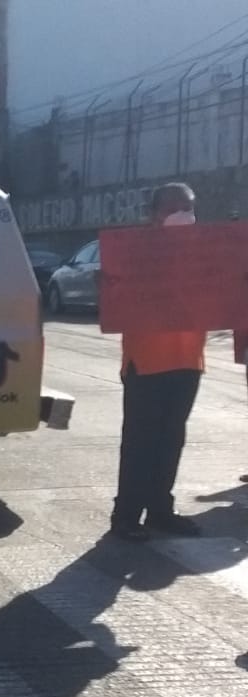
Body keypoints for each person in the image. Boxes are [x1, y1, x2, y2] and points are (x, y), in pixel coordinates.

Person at [111, 182, 206, 542]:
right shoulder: (135, 251)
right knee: (140, 442)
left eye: (189, 207)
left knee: (171, 441)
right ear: (154, 214)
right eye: (175, 208)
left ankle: (160, 511)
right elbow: (114, 296)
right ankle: (126, 516)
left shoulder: (205, 252)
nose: (184, 215)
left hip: (188, 359)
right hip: (146, 361)